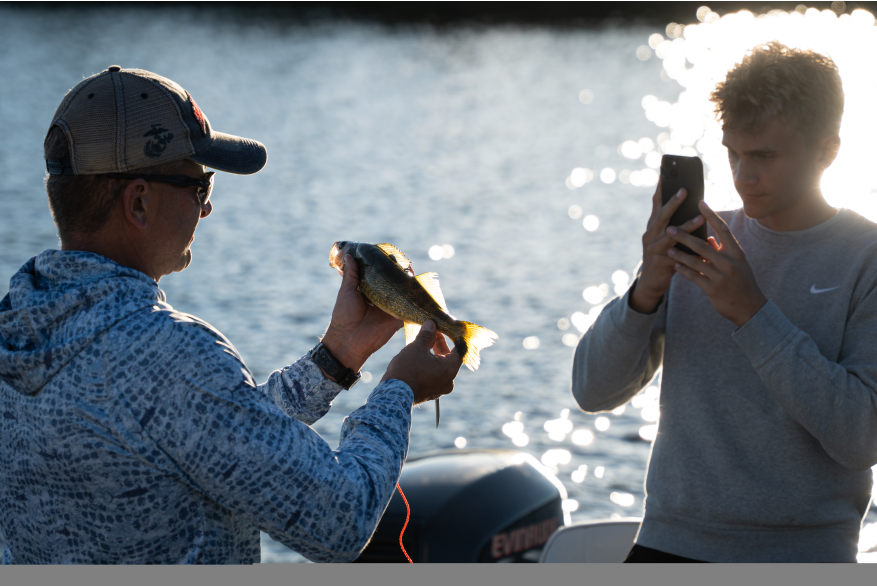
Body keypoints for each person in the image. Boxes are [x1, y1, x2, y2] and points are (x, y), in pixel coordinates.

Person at [0, 66, 462, 564]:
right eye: (199, 186)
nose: (206, 210)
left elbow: (208, 434)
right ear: (138, 201)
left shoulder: (16, 328)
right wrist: (400, 391)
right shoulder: (168, 355)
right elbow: (341, 520)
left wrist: (338, 356)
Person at [572, 42, 877, 563]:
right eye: (733, 152)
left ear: (827, 151)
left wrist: (752, 313)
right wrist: (646, 290)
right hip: (667, 542)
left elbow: (862, 438)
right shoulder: (700, 240)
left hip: (803, 555)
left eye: (763, 156)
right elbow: (592, 392)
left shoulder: (865, 258)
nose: (741, 176)